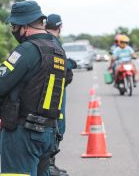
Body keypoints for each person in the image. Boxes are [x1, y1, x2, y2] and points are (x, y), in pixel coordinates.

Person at [0, 1, 68, 176]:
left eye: (14, 26)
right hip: (48, 133)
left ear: (24, 27)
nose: (13, 30)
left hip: (23, 134)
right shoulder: (58, 51)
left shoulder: (28, 50)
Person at [46, 14, 75, 176]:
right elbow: (61, 61)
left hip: (53, 88)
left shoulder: (46, 39)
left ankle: (50, 165)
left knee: (55, 125)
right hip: (55, 91)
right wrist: (71, 64)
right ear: (59, 27)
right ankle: (49, 167)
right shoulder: (53, 41)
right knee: (57, 125)